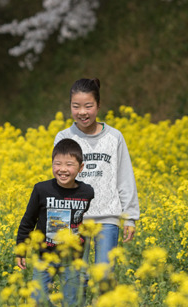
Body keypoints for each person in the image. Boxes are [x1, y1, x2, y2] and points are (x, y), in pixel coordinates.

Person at [54, 78, 140, 265]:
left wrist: (130, 218)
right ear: (70, 106)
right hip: (74, 220)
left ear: (99, 105)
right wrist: (57, 224)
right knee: (77, 277)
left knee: (104, 277)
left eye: (88, 106)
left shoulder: (114, 137)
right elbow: (58, 181)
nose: (82, 112)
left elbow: (124, 178)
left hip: (107, 219)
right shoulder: (63, 137)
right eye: (76, 106)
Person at [16, 138, 94, 307]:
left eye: (69, 164)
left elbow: (91, 222)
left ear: (81, 167)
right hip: (45, 257)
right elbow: (28, 221)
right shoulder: (41, 189)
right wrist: (21, 249)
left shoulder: (87, 192)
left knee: (73, 305)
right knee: (36, 298)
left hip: (72, 259)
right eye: (57, 164)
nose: (62, 169)